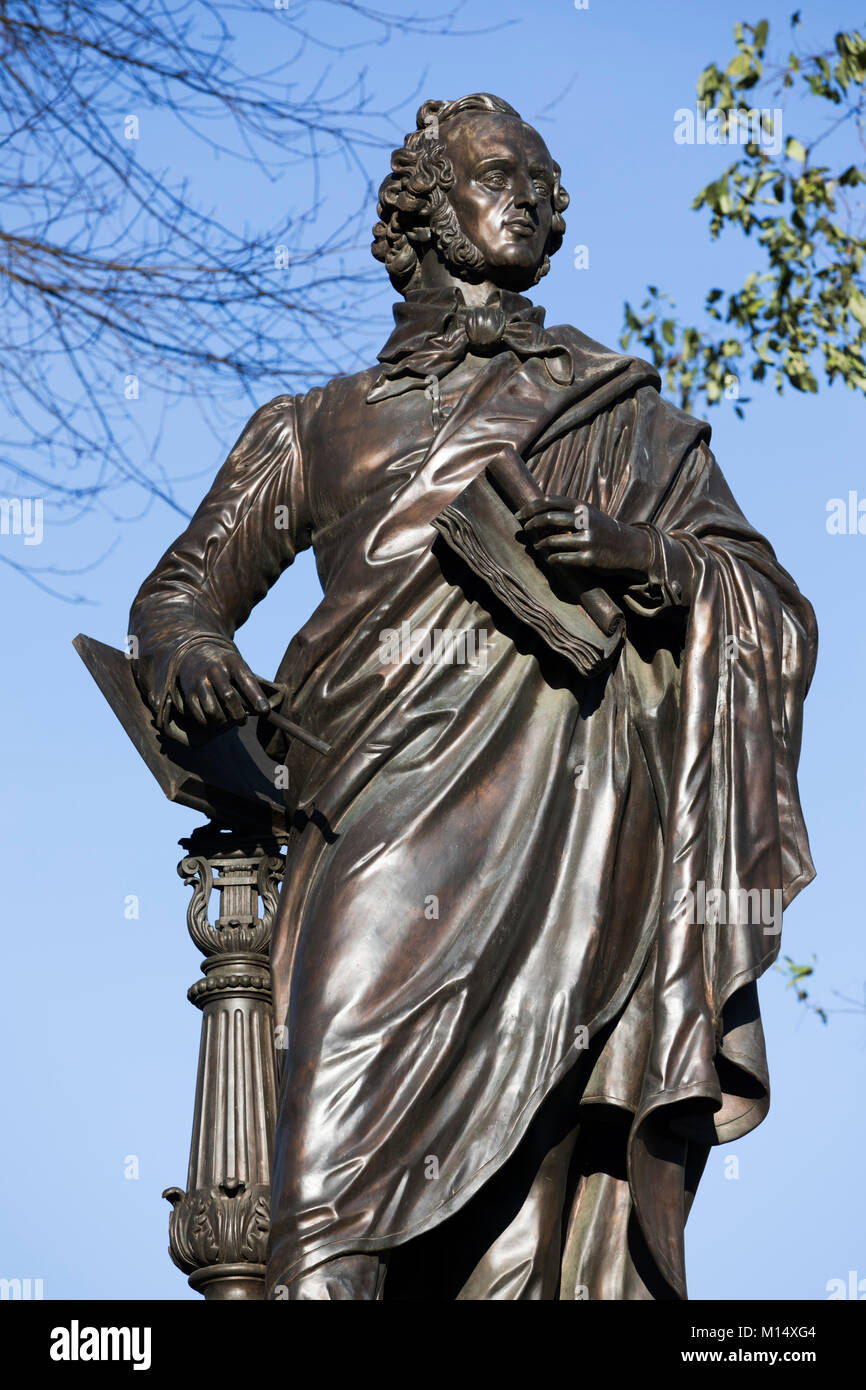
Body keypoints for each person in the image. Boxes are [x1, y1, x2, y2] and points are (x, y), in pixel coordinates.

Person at [129, 93, 816, 1300]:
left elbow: (768, 603)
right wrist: (186, 652)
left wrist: (641, 557)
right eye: (501, 174)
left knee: (514, 1241)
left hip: (565, 857)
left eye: (546, 186)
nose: (531, 200)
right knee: (318, 1213)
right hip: (370, 833)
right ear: (423, 210)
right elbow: (180, 592)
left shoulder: (627, 417)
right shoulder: (318, 422)